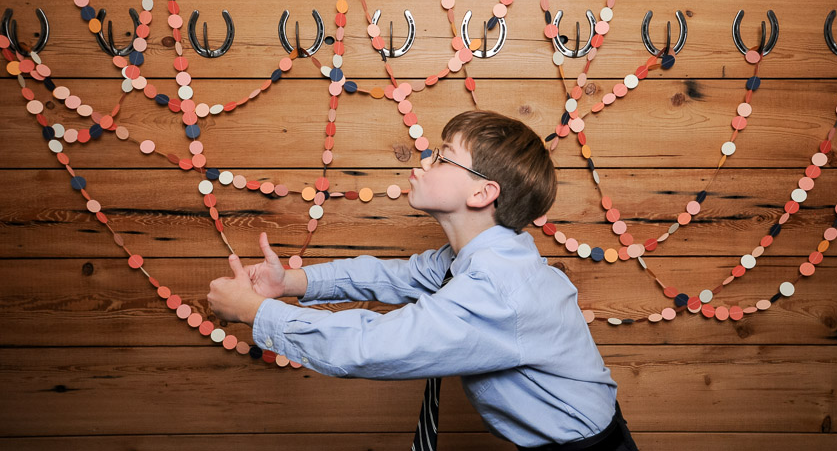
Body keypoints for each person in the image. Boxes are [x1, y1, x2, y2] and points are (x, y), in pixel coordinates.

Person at [208, 110, 637, 450]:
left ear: (482, 194)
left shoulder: (497, 288)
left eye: (442, 156)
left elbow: (370, 346)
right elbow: (391, 276)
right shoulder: (476, 256)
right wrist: (292, 284)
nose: (424, 162)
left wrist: (254, 312)